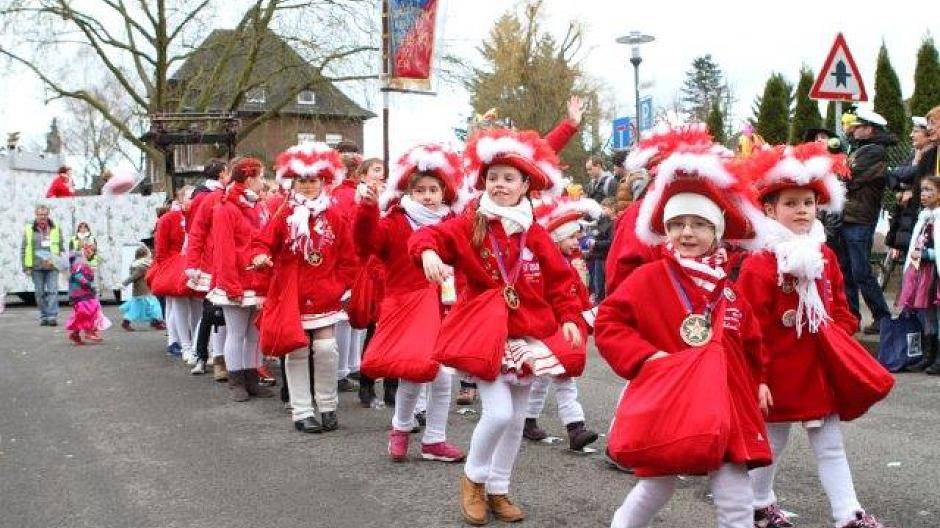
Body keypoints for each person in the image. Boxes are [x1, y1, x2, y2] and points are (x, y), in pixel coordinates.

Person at [411, 128, 586, 525]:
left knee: (515, 420)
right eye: (493, 178)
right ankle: (473, 480)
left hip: (526, 336)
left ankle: (498, 488)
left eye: (509, 178)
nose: (500, 185)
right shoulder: (470, 223)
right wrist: (426, 252)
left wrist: (571, 318)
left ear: (525, 186)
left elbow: (561, 282)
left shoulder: (534, 232)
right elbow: (428, 235)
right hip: (486, 334)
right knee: (499, 413)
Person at [596, 135, 771, 528]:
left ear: (718, 230)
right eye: (676, 224)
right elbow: (609, 322)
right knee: (656, 487)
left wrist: (760, 379)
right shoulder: (649, 277)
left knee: (736, 496)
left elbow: (752, 340)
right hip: (671, 396)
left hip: (727, 400)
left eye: (698, 224)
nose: (686, 232)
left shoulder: (728, 287)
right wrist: (645, 358)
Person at [737, 143, 893, 528]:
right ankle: (758, 504)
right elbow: (750, 327)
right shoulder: (760, 263)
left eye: (808, 202)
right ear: (769, 210)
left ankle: (848, 514)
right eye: (790, 203)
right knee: (772, 442)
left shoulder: (825, 255)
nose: (802, 210)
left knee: (830, 445)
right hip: (776, 371)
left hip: (817, 368)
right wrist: (757, 378)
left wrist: (838, 335)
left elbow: (841, 305)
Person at [355, 143, 466, 463]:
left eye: (433, 190)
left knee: (439, 375)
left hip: (443, 306)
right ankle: (404, 431)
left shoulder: (452, 222)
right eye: (420, 190)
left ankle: (430, 438)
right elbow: (365, 243)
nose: (427, 196)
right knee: (415, 373)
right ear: (409, 192)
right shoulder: (395, 221)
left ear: (444, 193)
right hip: (405, 306)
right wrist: (367, 209)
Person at [251, 142, 358, 434]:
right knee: (297, 351)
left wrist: (341, 285)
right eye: (302, 181)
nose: (308, 186)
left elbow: (348, 257)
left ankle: (328, 406)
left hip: (325, 292)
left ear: (323, 180)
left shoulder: (335, 214)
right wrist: (260, 256)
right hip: (292, 294)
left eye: (313, 180)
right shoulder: (284, 214)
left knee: (326, 349)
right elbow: (262, 242)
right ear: (293, 182)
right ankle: (301, 411)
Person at [522, 196, 601, 451]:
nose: (577, 242)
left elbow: (579, 295)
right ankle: (571, 426)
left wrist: (586, 315)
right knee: (554, 379)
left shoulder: (572, 264)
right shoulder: (545, 267)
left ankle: (536, 420)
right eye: (571, 238)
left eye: (577, 237)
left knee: (551, 379)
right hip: (551, 330)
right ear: (555, 240)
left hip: (567, 328)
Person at [208, 157, 274, 401]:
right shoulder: (226, 208)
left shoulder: (256, 206)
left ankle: (251, 377)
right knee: (236, 332)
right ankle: (236, 380)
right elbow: (224, 250)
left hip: (256, 278)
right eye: (260, 177)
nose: (263, 182)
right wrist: (231, 285)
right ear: (248, 179)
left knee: (254, 333)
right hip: (237, 279)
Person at [834, 108, 896, 333]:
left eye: (858, 126)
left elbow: (847, 177)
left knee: (860, 272)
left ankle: (882, 317)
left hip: (860, 219)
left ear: (869, 129)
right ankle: (852, 317)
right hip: (850, 217)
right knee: (847, 271)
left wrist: (840, 173)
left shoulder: (873, 151)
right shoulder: (861, 148)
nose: (853, 129)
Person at [186, 160, 231, 381]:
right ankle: (204, 355)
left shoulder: (216, 196)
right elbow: (195, 231)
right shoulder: (208, 198)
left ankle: (214, 357)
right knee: (211, 312)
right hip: (212, 262)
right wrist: (193, 263)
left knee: (221, 314)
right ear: (223, 174)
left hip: (224, 262)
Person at [147, 187, 198, 358]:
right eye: (189, 197)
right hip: (174, 268)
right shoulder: (168, 219)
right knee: (176, 305)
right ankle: (180, 343)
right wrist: (169, 269)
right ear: (181, 199)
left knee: (197, 306)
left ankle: (196, 344)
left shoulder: (198, 217)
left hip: (194, 265)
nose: (193, 200)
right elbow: (161, 250)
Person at [897, 175, 940, 374]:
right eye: (922, 190)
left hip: (935, 272)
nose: (924, 194)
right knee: (927, 312)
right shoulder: (924, 217)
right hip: (924, 273)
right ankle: (928, 355)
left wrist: (926, 254)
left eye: (929, 190)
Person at [22, 204, 64, 326]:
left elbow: (61, 247)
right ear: (36, 215)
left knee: (52, 291)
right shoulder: (29, 228)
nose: (43, 217)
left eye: (45, 214)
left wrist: (60, 263)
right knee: (39, 293)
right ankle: (44, 315)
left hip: (52, 266)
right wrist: (26, 267)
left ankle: (52, 316)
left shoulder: (55, 228)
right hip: (36, 267)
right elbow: (24, 248)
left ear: (48, 214)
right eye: (40, 214)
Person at [65, 244, 111, 345]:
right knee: (87, 311)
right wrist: (87, 283)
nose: (92, 253)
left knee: (85, 312)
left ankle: (76, 334)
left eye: (93, 251)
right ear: (85, 250)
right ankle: (89, 332)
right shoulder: (79, 261)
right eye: (90, 251)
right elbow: (77, 275)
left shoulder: (84, 260)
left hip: (86, 292)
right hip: (80, 292)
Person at [119, 245, 165, 331]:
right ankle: (157, 322)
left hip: (138, 292)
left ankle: (126, 322)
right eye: (148, 253)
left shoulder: (137, 264)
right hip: (145, 291)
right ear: (145, 255)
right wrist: (124, 284)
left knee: (135, 309)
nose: (150, 255)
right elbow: (133, 277)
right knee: (155, 306)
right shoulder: (142, 266)